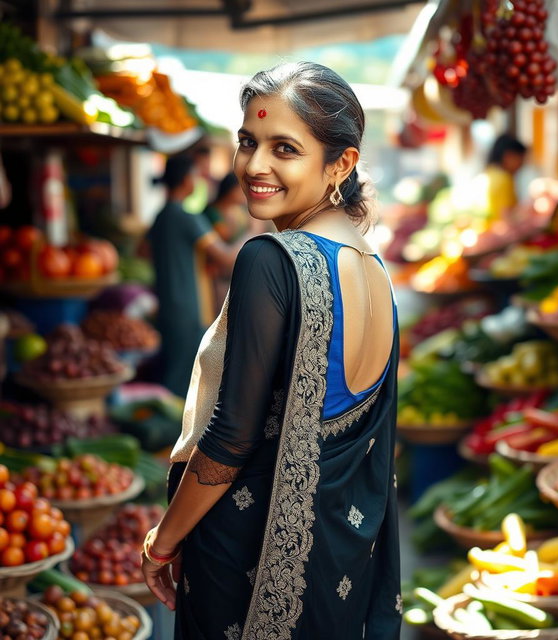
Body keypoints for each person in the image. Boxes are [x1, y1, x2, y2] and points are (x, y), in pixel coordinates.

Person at [141, 61, 402, 640]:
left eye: (284, 148)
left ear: (342, 163)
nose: (254, 166)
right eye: (247, 142)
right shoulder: (372, 268)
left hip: (249, 561)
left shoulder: (270, 260)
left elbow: (231, 440)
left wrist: (164, 540)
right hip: (336, 558)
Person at [147, 154, 242, 398]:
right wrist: (253, 234)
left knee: (175, 373)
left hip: (167, 305)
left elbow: (142, 251)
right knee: (185, 382)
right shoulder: (186, 218)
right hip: (189, 308)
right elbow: (227, 258)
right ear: (185, 180)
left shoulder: (160, 217)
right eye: (195, 176)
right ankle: (173, 433)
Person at [483, 133, 527, 223]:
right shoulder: (504, 179)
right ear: (508, 156)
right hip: (497, 234)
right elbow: (507, 218)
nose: (521, 165)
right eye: (520, 159)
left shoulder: (490, 173)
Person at [203, 172, 250, 243]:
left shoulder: (239, 211)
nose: (246, 192)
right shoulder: (212, 213)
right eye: (242, 188)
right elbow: (225, 238)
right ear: (231, 189)